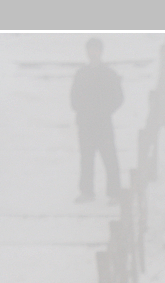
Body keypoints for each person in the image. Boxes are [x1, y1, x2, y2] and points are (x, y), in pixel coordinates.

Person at [70, 37, 123, 203]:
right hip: (85, 123)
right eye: (90, 49)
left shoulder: (109, 73)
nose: (92, 52)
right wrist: (81, 111)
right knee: (86, 158)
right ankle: (87, 192)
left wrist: (105, 110)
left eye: (96, 49)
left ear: (101, 51)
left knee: (109, 158)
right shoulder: (81, 73)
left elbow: (118, 97)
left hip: (103, 123)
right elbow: (73, 96)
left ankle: (115, 193)